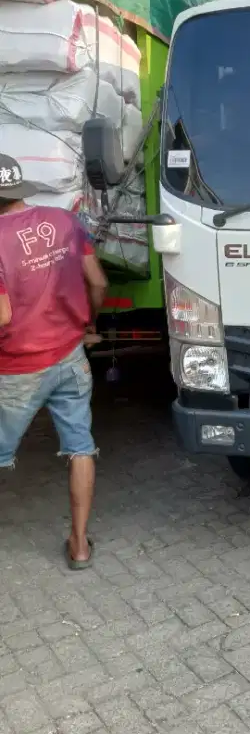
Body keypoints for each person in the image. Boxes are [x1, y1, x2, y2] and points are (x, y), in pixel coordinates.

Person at [0, 154, 108, 569]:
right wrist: (89, 326)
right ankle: (79, 545)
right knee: (80, 446)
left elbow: (4, 315)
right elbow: (97, 281)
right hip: (70, 355)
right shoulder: (64, 221)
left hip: (18, 368)